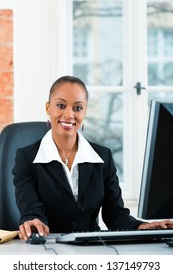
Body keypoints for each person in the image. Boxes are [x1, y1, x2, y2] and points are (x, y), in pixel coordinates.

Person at [13, 75, 173, 241]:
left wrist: (141, 227)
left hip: (91, 248)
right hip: (47, 247)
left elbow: (115, 215)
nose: (69, 114)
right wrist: (33, 222)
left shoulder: (103, 157)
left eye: (77, 108)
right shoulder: (26, 157)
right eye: (61, 105)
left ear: (85, 111)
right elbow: (31, 210)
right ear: (48, 108)